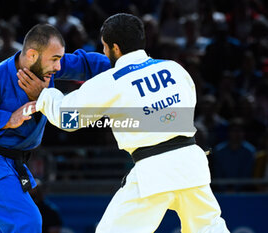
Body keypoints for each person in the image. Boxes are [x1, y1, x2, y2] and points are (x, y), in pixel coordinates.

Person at [18, 13, 230, 233]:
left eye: (104, 46)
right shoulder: (175, 69)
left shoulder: (113, 81)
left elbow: (68, 118)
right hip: (191, 164)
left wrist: (43, 96)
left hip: (153, 171)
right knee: (210, 229)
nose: (103, 52)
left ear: (115, 48)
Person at [0, 24, 110, 233]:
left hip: (14, 163)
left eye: (60, 59)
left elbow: (85, 63)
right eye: (54, 60)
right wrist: (9, 118)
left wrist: (129, 63)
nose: (58, 67)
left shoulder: (48, 65)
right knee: (28, 222)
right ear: (32, 55)